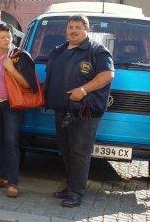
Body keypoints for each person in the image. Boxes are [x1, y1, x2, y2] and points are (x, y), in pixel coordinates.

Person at [44, 15, 114, 207]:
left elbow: (107, 74)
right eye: (70, 27)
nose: (73, 30)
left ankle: (76, 193)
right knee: (66, 152)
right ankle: (70, 187)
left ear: (87, 29)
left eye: (77, 27)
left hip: (84, 113)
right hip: (62, 111)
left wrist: (83, 90)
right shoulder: (59, 51)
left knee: (79, 154)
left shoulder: (96, 50)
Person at [0, 23, 38, 198]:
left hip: (11, 106)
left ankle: (13, 182)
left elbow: (29, 84)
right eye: (2, 37)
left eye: (9, 37)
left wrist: (12, 69)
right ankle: (1, 176)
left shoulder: (20, 56)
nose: (6, 40)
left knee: (11, 143)